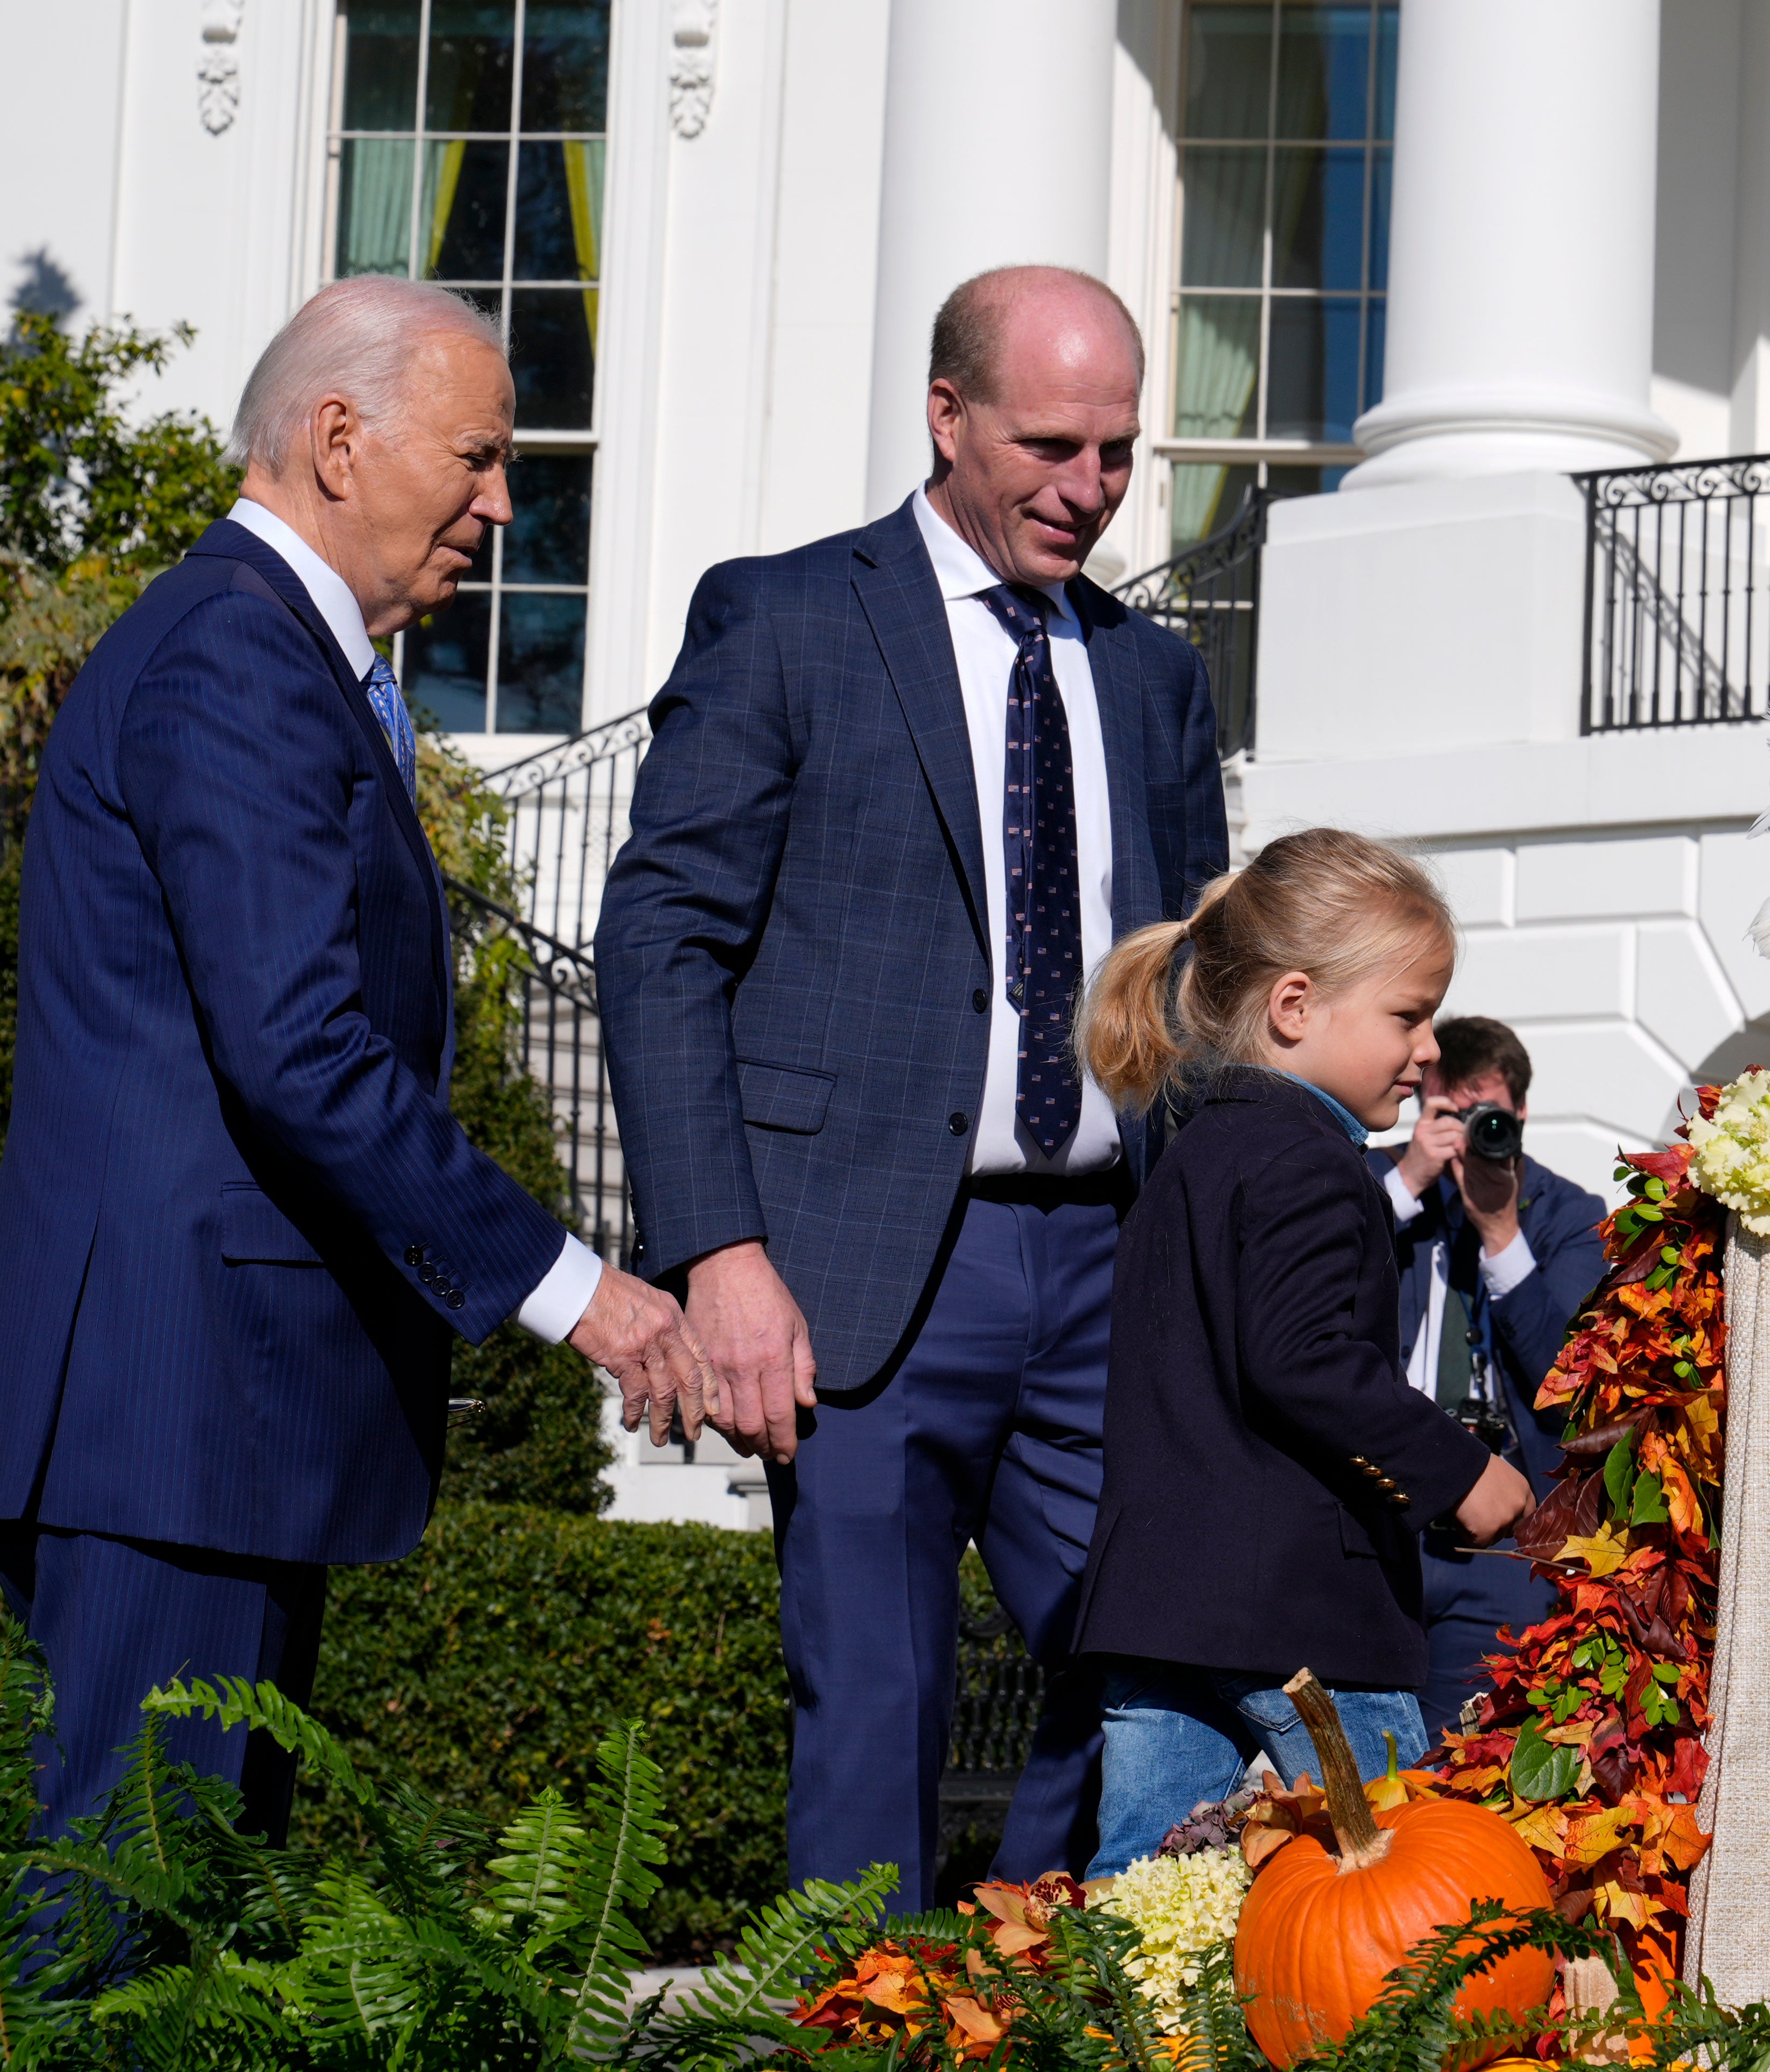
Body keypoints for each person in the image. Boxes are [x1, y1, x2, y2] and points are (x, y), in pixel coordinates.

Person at [0, 277, 709, 1843]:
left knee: (186, 1935)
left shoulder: (280, 650)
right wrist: (583, 1293)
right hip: (173, 1413)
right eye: (480, 456)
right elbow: (299, 1048)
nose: (500, 504)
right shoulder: (239, 653)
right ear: (340, 440)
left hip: (203, 1417)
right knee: (125, 1951)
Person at [596, 265, 1227, 1901]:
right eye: (1050, 445)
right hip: (859, 1268)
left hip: (1104, 1262)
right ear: (945, 416)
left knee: (1158, 1641)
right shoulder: (790, 618)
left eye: (1118, 452)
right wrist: (716, 1250)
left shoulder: (1154, 681)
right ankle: (855, 2024)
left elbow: (1194, 999)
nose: (1088, 490)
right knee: (874, 1710)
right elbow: (662, 937)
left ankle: (1021, 1968)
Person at [1066, 831, 1536, 1876]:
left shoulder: (1194, 1157)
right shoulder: (1312, 1164)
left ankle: (1105, 2033)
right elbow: (1304, 1358)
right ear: (1294, 1007)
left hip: (1158, 1605)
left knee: (1146, 1890)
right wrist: (1460, 1471)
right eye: (1408, 1017)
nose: (1428, 1053)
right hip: (1305, 1619)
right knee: (1392, 1890)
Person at [1373, 1018, 1608, 1742]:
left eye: (1489, 1116)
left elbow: (1565, 1385)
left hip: (1505, 1543)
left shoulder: (1570, 1215)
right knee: (1352, 1762)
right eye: (1450, 1114)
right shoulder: (1373, 1185)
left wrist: (1502, 1234)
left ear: (1521, 1114)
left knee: (1468, 1756)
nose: (1470, 1133)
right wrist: (1408, 1181)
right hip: (1375, 1525)